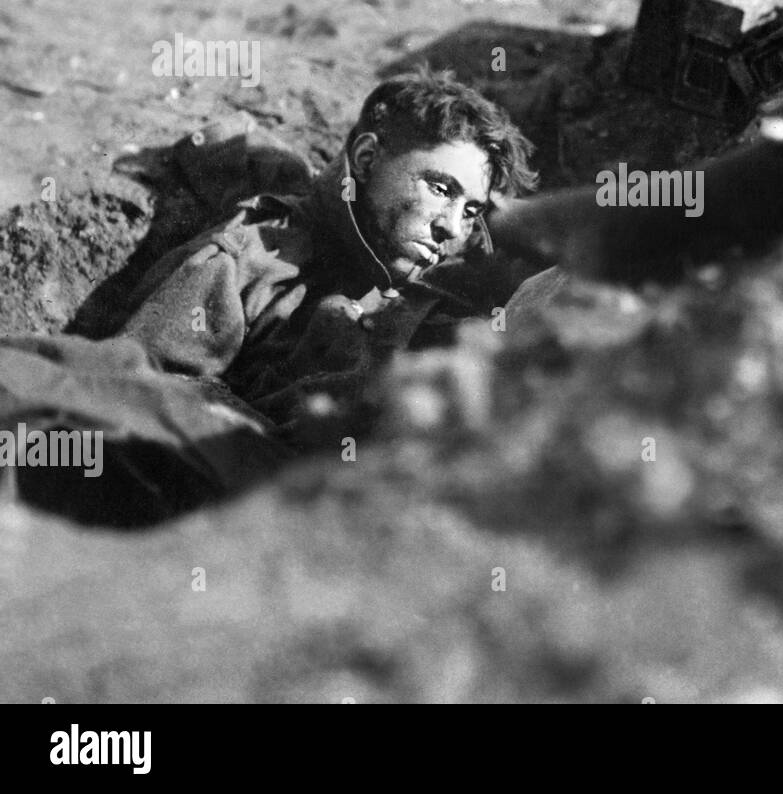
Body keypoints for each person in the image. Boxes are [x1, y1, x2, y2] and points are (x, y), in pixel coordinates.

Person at [0, 69, 544, 525]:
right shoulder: (255, 257)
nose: (452, 226)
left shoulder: (445, 278)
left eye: (471, 210)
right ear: (367, 158)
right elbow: (138, 388)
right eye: (440, 189)